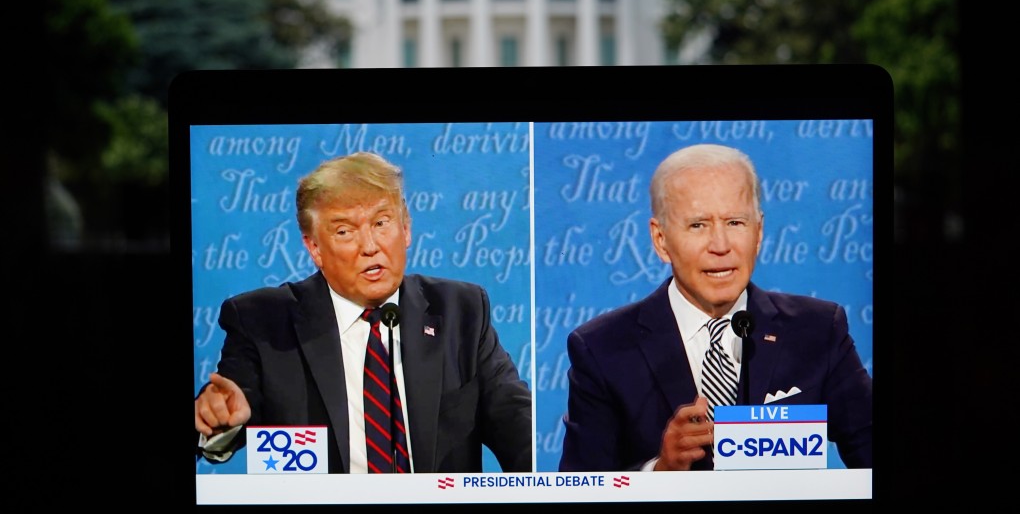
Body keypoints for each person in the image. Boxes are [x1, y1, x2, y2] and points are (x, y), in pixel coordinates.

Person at [195, 151, 533, 473]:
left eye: (382, 223)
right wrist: (221, 419)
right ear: (314, 248)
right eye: (344, 231)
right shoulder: (262, 321)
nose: (370, 246)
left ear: (406, 229)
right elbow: (229, 408)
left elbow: (516, 423)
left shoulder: (462, 310)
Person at [558, 143, 872, 471]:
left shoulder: (818, 331)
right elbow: (580, 490)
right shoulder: (602, 349)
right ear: (661, 239)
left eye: (735, 223)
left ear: (759, 231)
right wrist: (660, 471)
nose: (721, 246)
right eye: (698, 225)